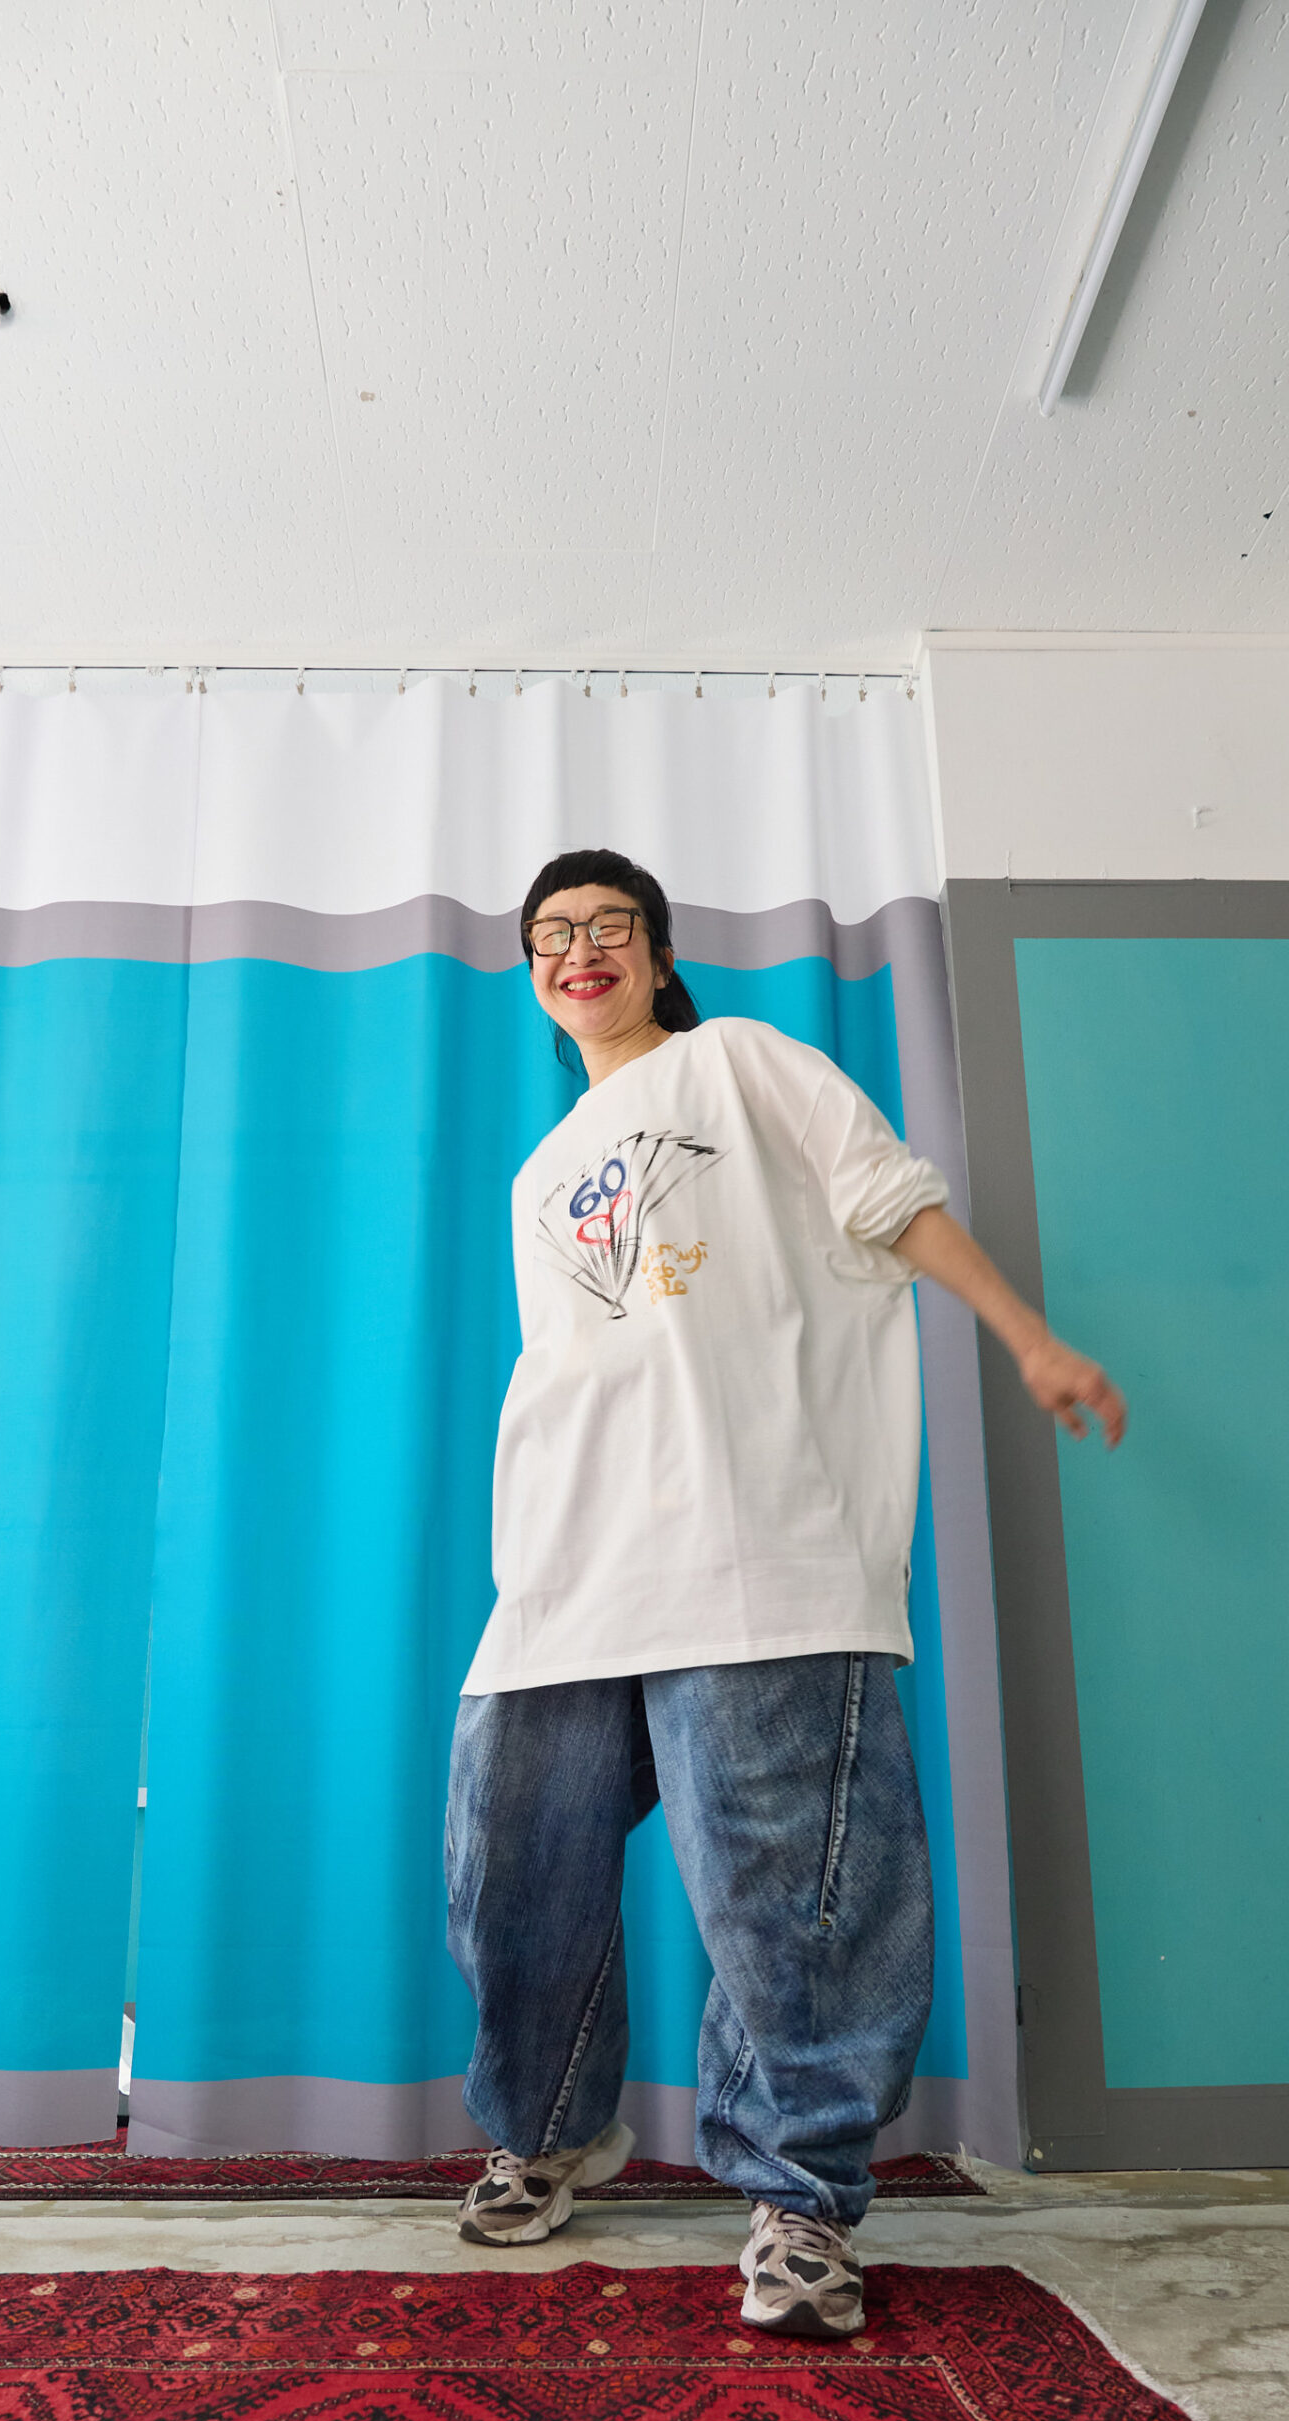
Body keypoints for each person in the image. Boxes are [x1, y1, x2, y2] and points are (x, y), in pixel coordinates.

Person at [445, 850, 1125, 2339]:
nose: (579, 950)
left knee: (793, 1910)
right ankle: (552, 2129)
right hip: (566, 1564)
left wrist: (1024, 1335)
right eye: (551, 934)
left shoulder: (743, 1063)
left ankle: (800, 2202)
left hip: (760, 1550)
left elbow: (891, 1200)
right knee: (510, 1867)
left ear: (658, 951)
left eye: (608, 925)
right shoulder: (542, 1170)